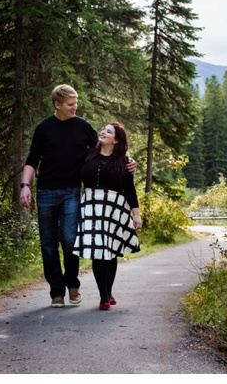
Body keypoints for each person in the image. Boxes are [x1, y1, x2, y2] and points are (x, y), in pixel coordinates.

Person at [19, 85, 135, 308]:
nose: (75, 108)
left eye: (76, 104)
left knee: (70, 239)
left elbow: (104, 150)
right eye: (71, 105)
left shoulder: (83, 127)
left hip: (72, 191)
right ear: (58, 104)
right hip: (45, 192)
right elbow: (32, 159)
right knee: (48, 244)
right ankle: (56, 292)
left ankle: (72, 284)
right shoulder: (43, 128)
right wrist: (25, 185)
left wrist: (127, 161)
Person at [72, 121, 142, 311]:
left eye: (108, 131)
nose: (103, 132)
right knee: (98, 249)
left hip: (114, 208)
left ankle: (108, 292)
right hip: (91, 206)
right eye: (104, 129)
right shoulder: (88, 155)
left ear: (116, 139)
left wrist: (136, 214)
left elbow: (130, 189)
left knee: (110, 252)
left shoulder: (125, 162)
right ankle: (103, 296)